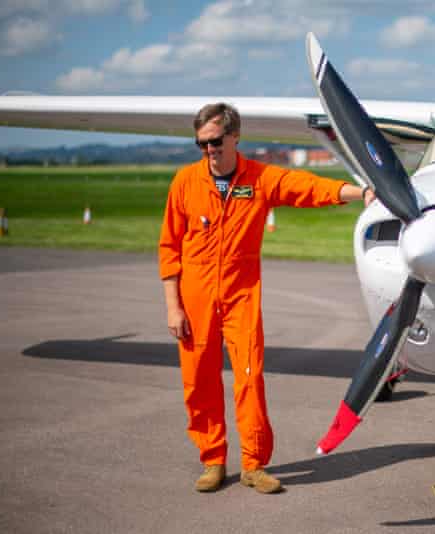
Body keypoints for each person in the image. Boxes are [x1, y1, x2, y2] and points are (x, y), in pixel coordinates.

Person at [159, 103, 373, 493]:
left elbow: (307, 188)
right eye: (201, 143)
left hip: (241, 297)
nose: (209, 150)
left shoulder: (258, 179)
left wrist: (361, 193)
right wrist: (173, 307)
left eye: (216, 141)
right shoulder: (185, 182)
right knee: (199, 382)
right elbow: (169, 246)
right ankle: (213, 461)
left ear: (235, 137)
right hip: (195, 299)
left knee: (249, 377)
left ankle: (254, 465)